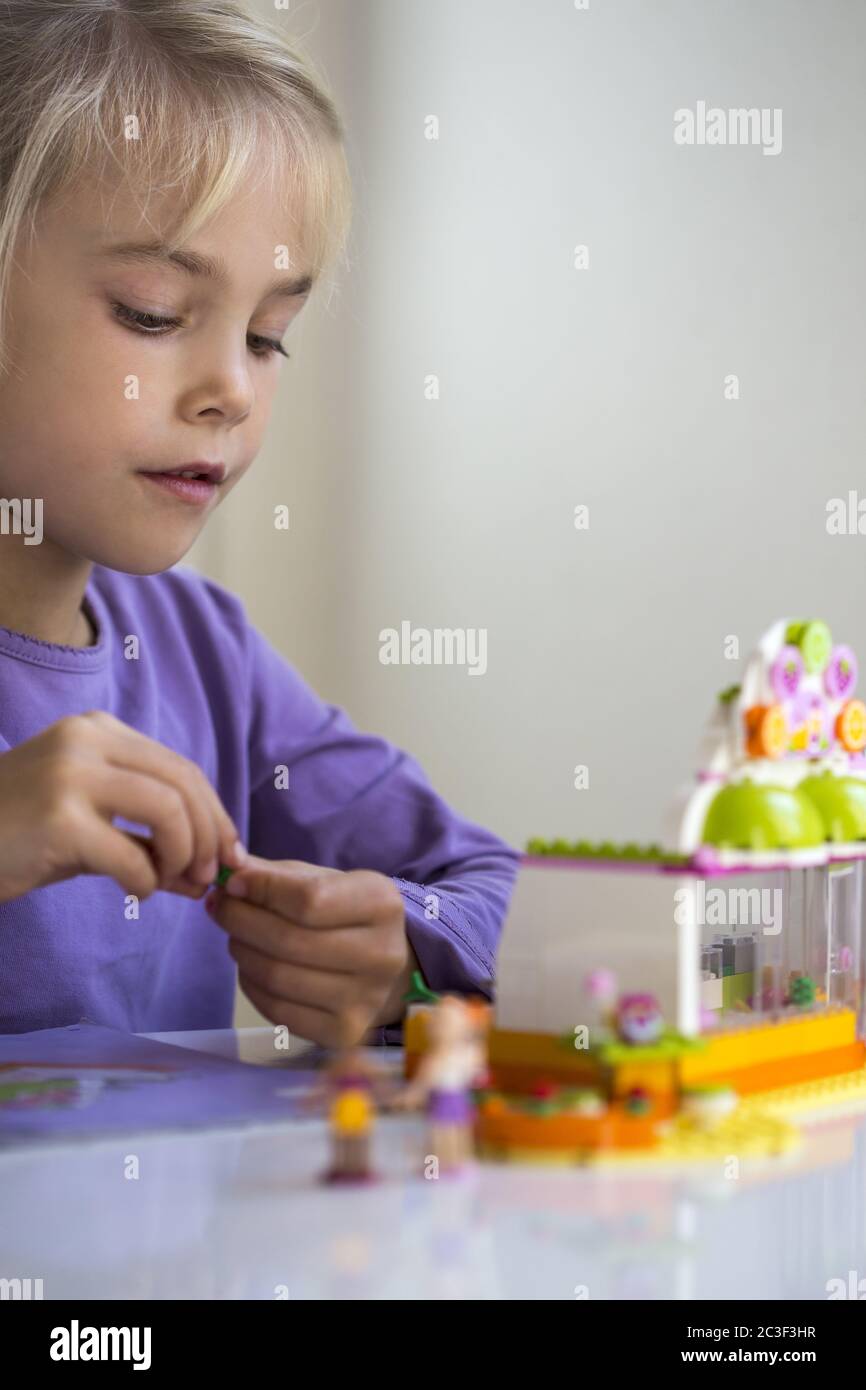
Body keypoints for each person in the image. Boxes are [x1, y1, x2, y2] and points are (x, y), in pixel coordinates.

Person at [0, 0, 518, 1041]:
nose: (231, 388)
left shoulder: (207, 658)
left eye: (269, 333)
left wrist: (407, 956)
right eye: (152, 312)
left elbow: (498, 888)